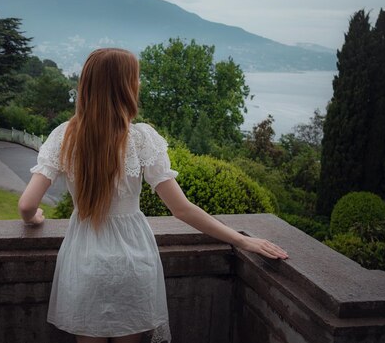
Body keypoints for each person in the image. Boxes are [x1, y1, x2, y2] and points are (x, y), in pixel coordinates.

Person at [18, 48, 289, 343]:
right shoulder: (141, 138)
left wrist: (35, 217)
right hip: (134, 260)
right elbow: (182, 209)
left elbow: (27, 205)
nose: (140, 84)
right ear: (125, 87)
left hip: (84, 260)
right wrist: (240, 239)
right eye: (136, 78)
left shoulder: (63, 136)